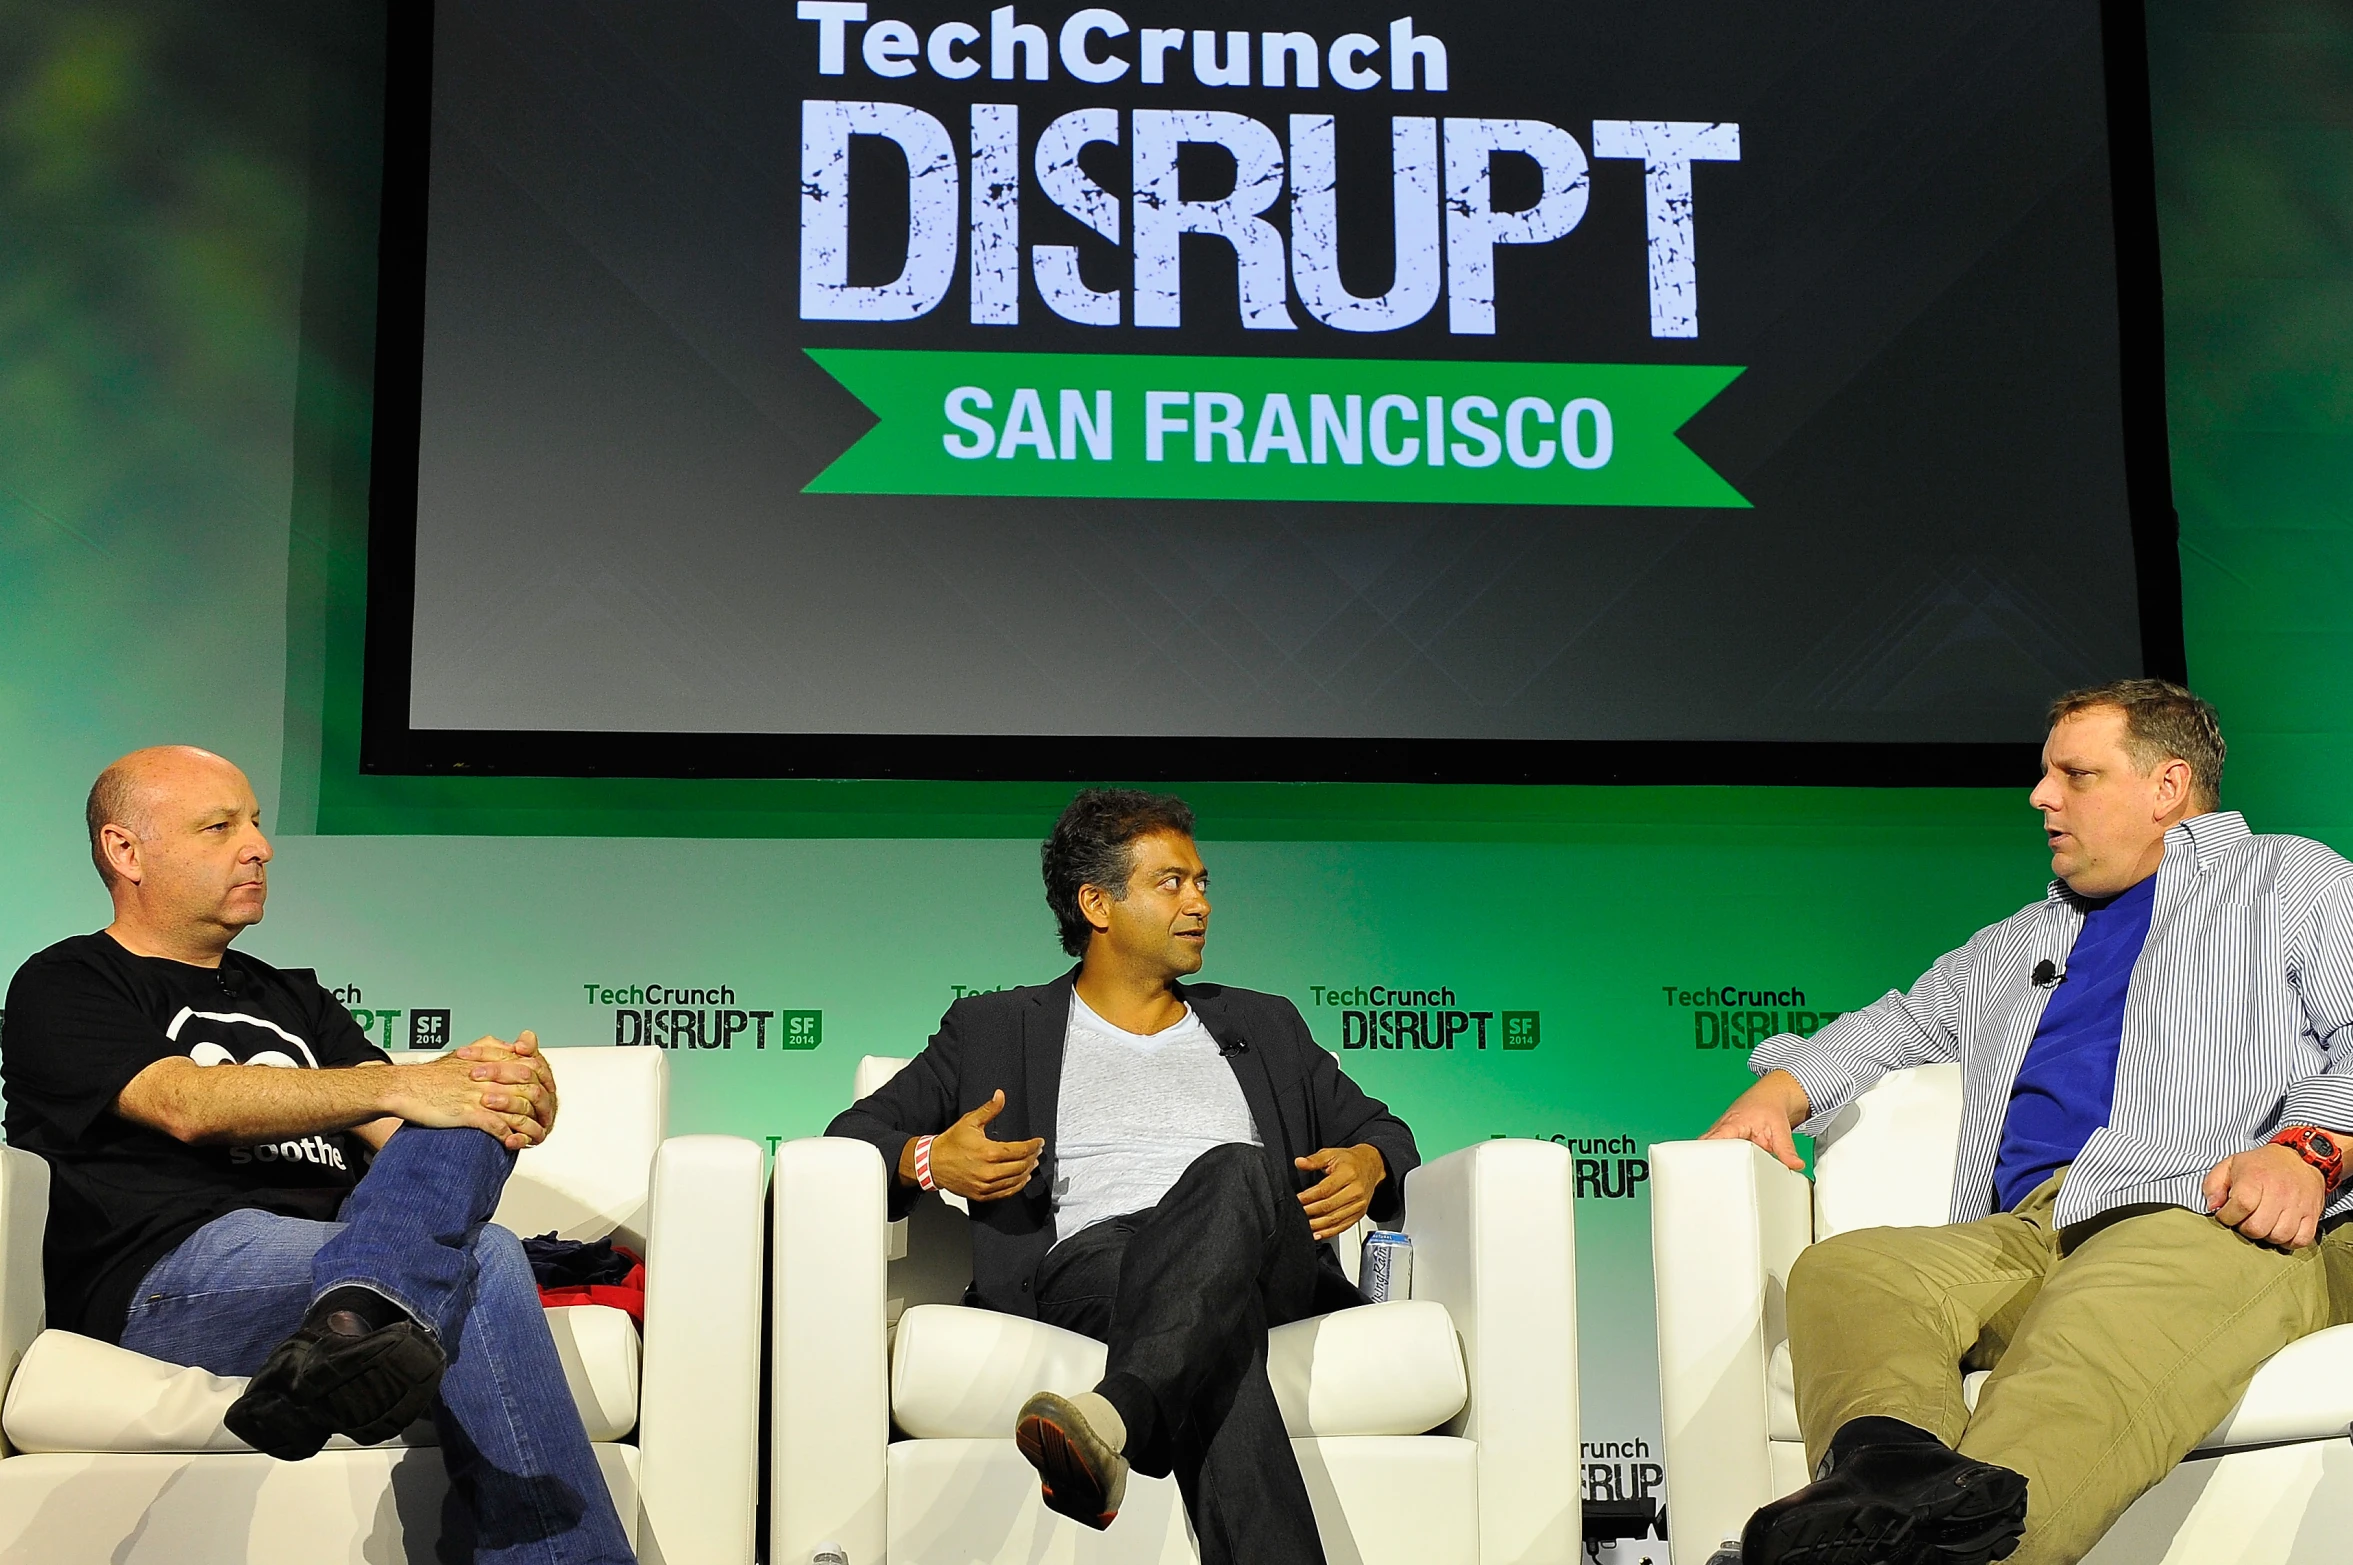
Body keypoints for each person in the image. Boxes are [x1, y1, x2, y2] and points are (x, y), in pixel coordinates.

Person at [1701, 681, 2353, 1565]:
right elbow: (1893, 1023)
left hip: (2206, 1214)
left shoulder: (2286, 881)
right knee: (1852, 1270)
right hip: (2026, 1232)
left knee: (2104, 1309)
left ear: (2166, 787)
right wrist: (1777, 1090)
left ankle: (1946, 1551)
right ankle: (1890, 1492)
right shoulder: (2015, 942)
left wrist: (2306, 1148)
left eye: (2074, 774)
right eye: (2044, 774)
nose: (2041, 796)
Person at [0, 746, 634, 1565]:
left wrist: (497, 1095)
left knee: (458, 1119)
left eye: (257, 822)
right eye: (220, 826)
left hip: (338, 1245)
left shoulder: (293, 995)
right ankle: (365, 1317)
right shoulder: (67, 981)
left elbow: (411, 1135)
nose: (259, 845)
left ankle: (347, 1322)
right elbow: (183, 1104)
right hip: (170, 1274)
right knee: (484, 1257)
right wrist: (413, 1085)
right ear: (126, 851)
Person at [828, 788, 1419, 1565]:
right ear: (1097, 904)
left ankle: (1116, 1414)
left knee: (1237, 1169)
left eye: (1202, 881)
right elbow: (849, 1137)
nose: (1199, 901)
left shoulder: (1263, 1022)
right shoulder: (995, 1027)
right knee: (1216, 1339)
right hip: (1090, 1266)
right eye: (1171, 882)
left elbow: (1387, 1133)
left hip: (1260, 1252)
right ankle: (1122, 1417)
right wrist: (930, 1156)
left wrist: (1368, 1161)